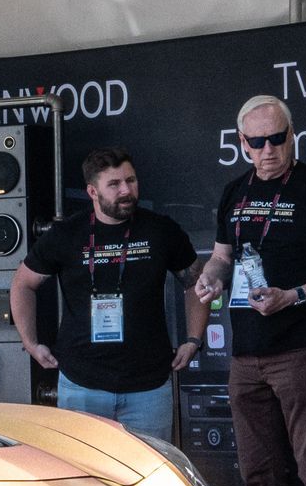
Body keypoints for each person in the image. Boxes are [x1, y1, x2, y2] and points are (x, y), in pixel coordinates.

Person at [193, 95, 306, 486]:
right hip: (246, 355)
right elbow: (221, 257)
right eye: (258, 142)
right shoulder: (235, 191)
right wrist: (211, 277)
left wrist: (296, 294)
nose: (268, 150)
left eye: (277, 139)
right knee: (258, 477)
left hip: (301, 348)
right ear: (242, 143)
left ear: (293, 137)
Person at [11, 146, 206, 440]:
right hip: (81, 385)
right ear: (92, 191)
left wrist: (193, 339)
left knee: (150, 479)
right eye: (114, 184)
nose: (126, 190)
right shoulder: (67, 234)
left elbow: (196, 282)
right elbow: (22, 283)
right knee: (85, 478)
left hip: (149, 388)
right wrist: (30, 342)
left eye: (131, 180)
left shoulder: (160, 230)